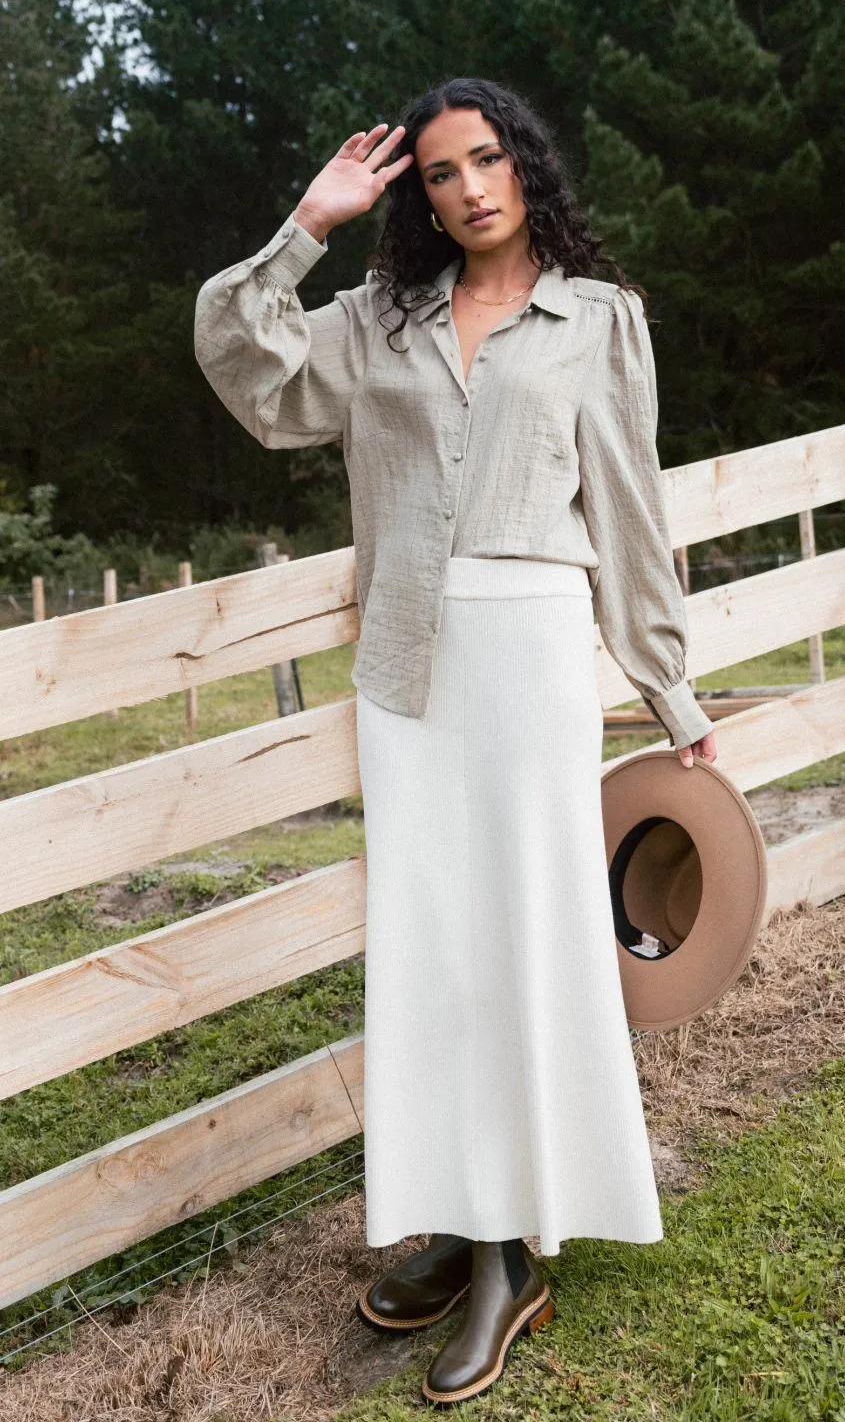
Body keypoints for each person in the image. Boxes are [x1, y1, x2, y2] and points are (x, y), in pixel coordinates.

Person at [194, 76, 718, 1409]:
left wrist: (672, 694)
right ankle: (455, 1220)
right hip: (408, 667)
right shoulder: (375, 323)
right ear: (415, 195)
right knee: (431, 952)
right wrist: (306, 226)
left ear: (527, 167)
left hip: (536, 653)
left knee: (523, 943)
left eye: (488, 160)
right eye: (439, 172)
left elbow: (634, 519)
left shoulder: (600, 322)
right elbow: (248, 372)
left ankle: (509, 1256)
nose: (469, 187)